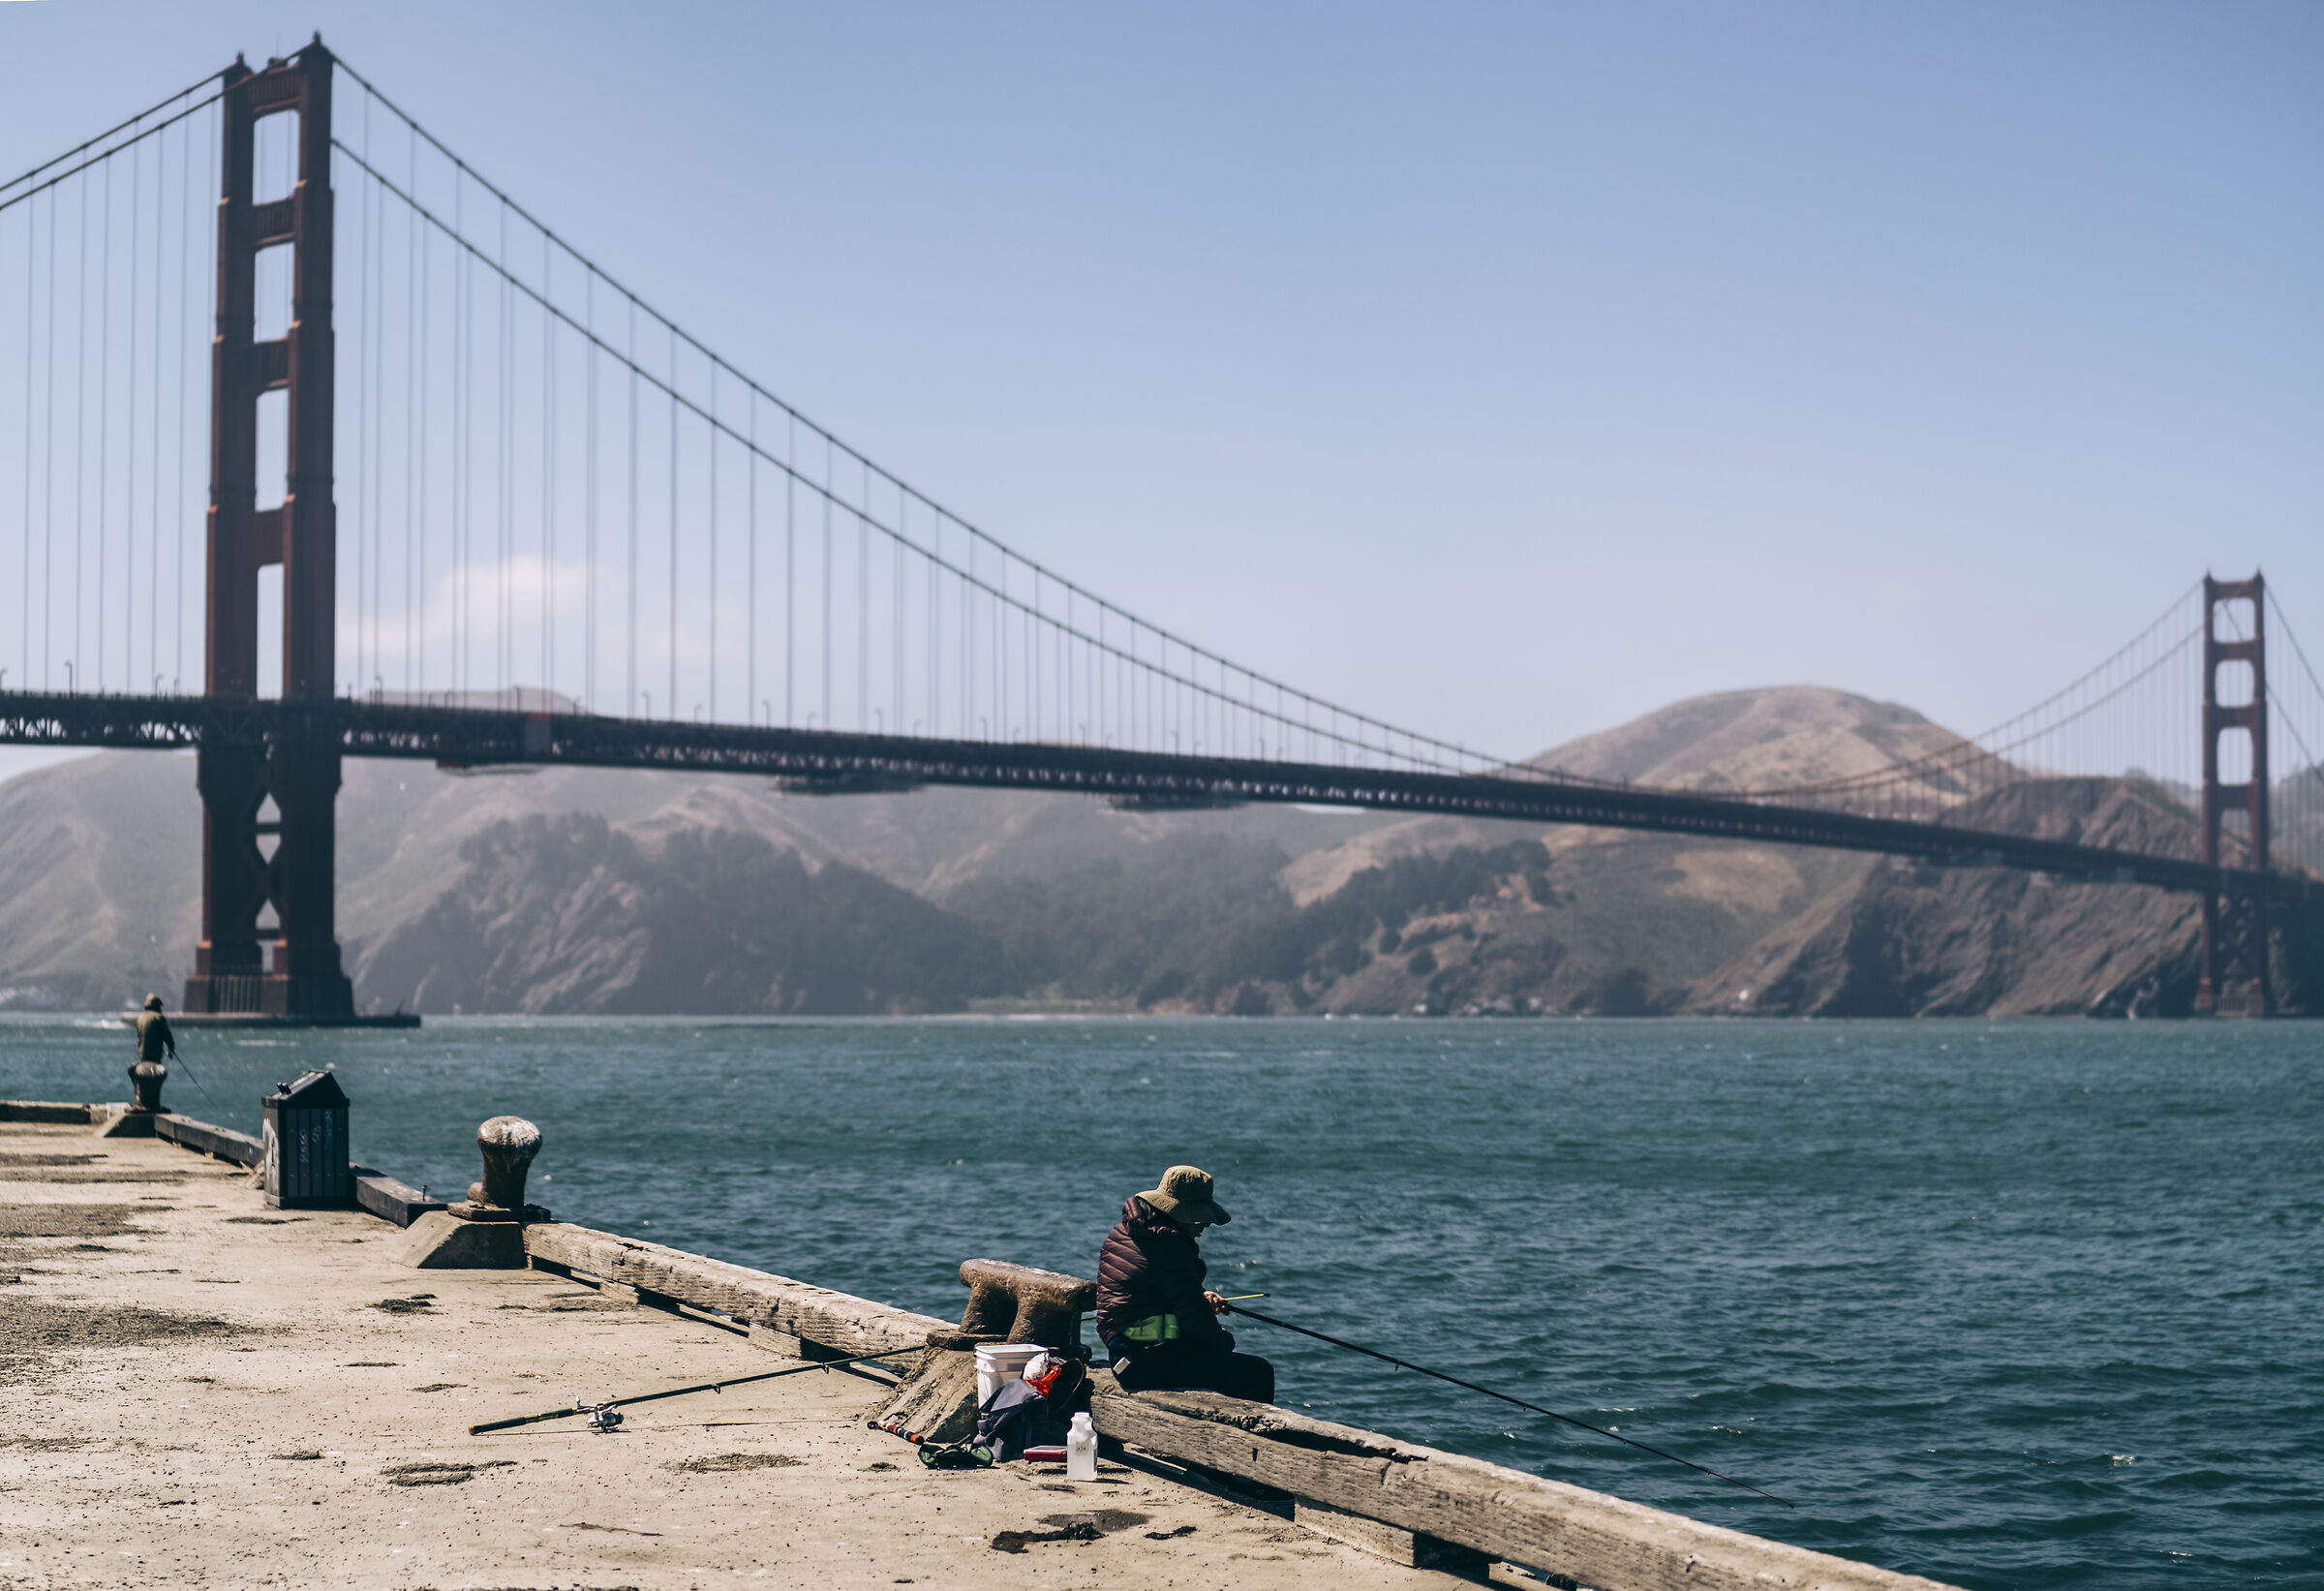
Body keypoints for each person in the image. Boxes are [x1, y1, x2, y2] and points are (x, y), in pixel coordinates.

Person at [1095, 1164, 1274, 1403]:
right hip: (1141, 1362)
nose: (1206, 1224)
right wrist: (1223, 1339)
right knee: (1257, 1371)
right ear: (1183, 1213)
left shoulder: (1125, 1232)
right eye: (1201, 1219)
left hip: (1124, 1352)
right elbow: (1194, 1316)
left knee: (1214, 1358)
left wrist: (1199, 1296)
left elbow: (1159, 1293)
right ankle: (1256, 1438)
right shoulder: (1168, 1247)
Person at [133, 994, 177, 1067]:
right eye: (160, 1007)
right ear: (157, 1006)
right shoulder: (159, 1018)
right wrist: (171, 1050)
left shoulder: (140, 1018)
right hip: (154, 1059)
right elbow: (168, 1037)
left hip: (142, 1057)